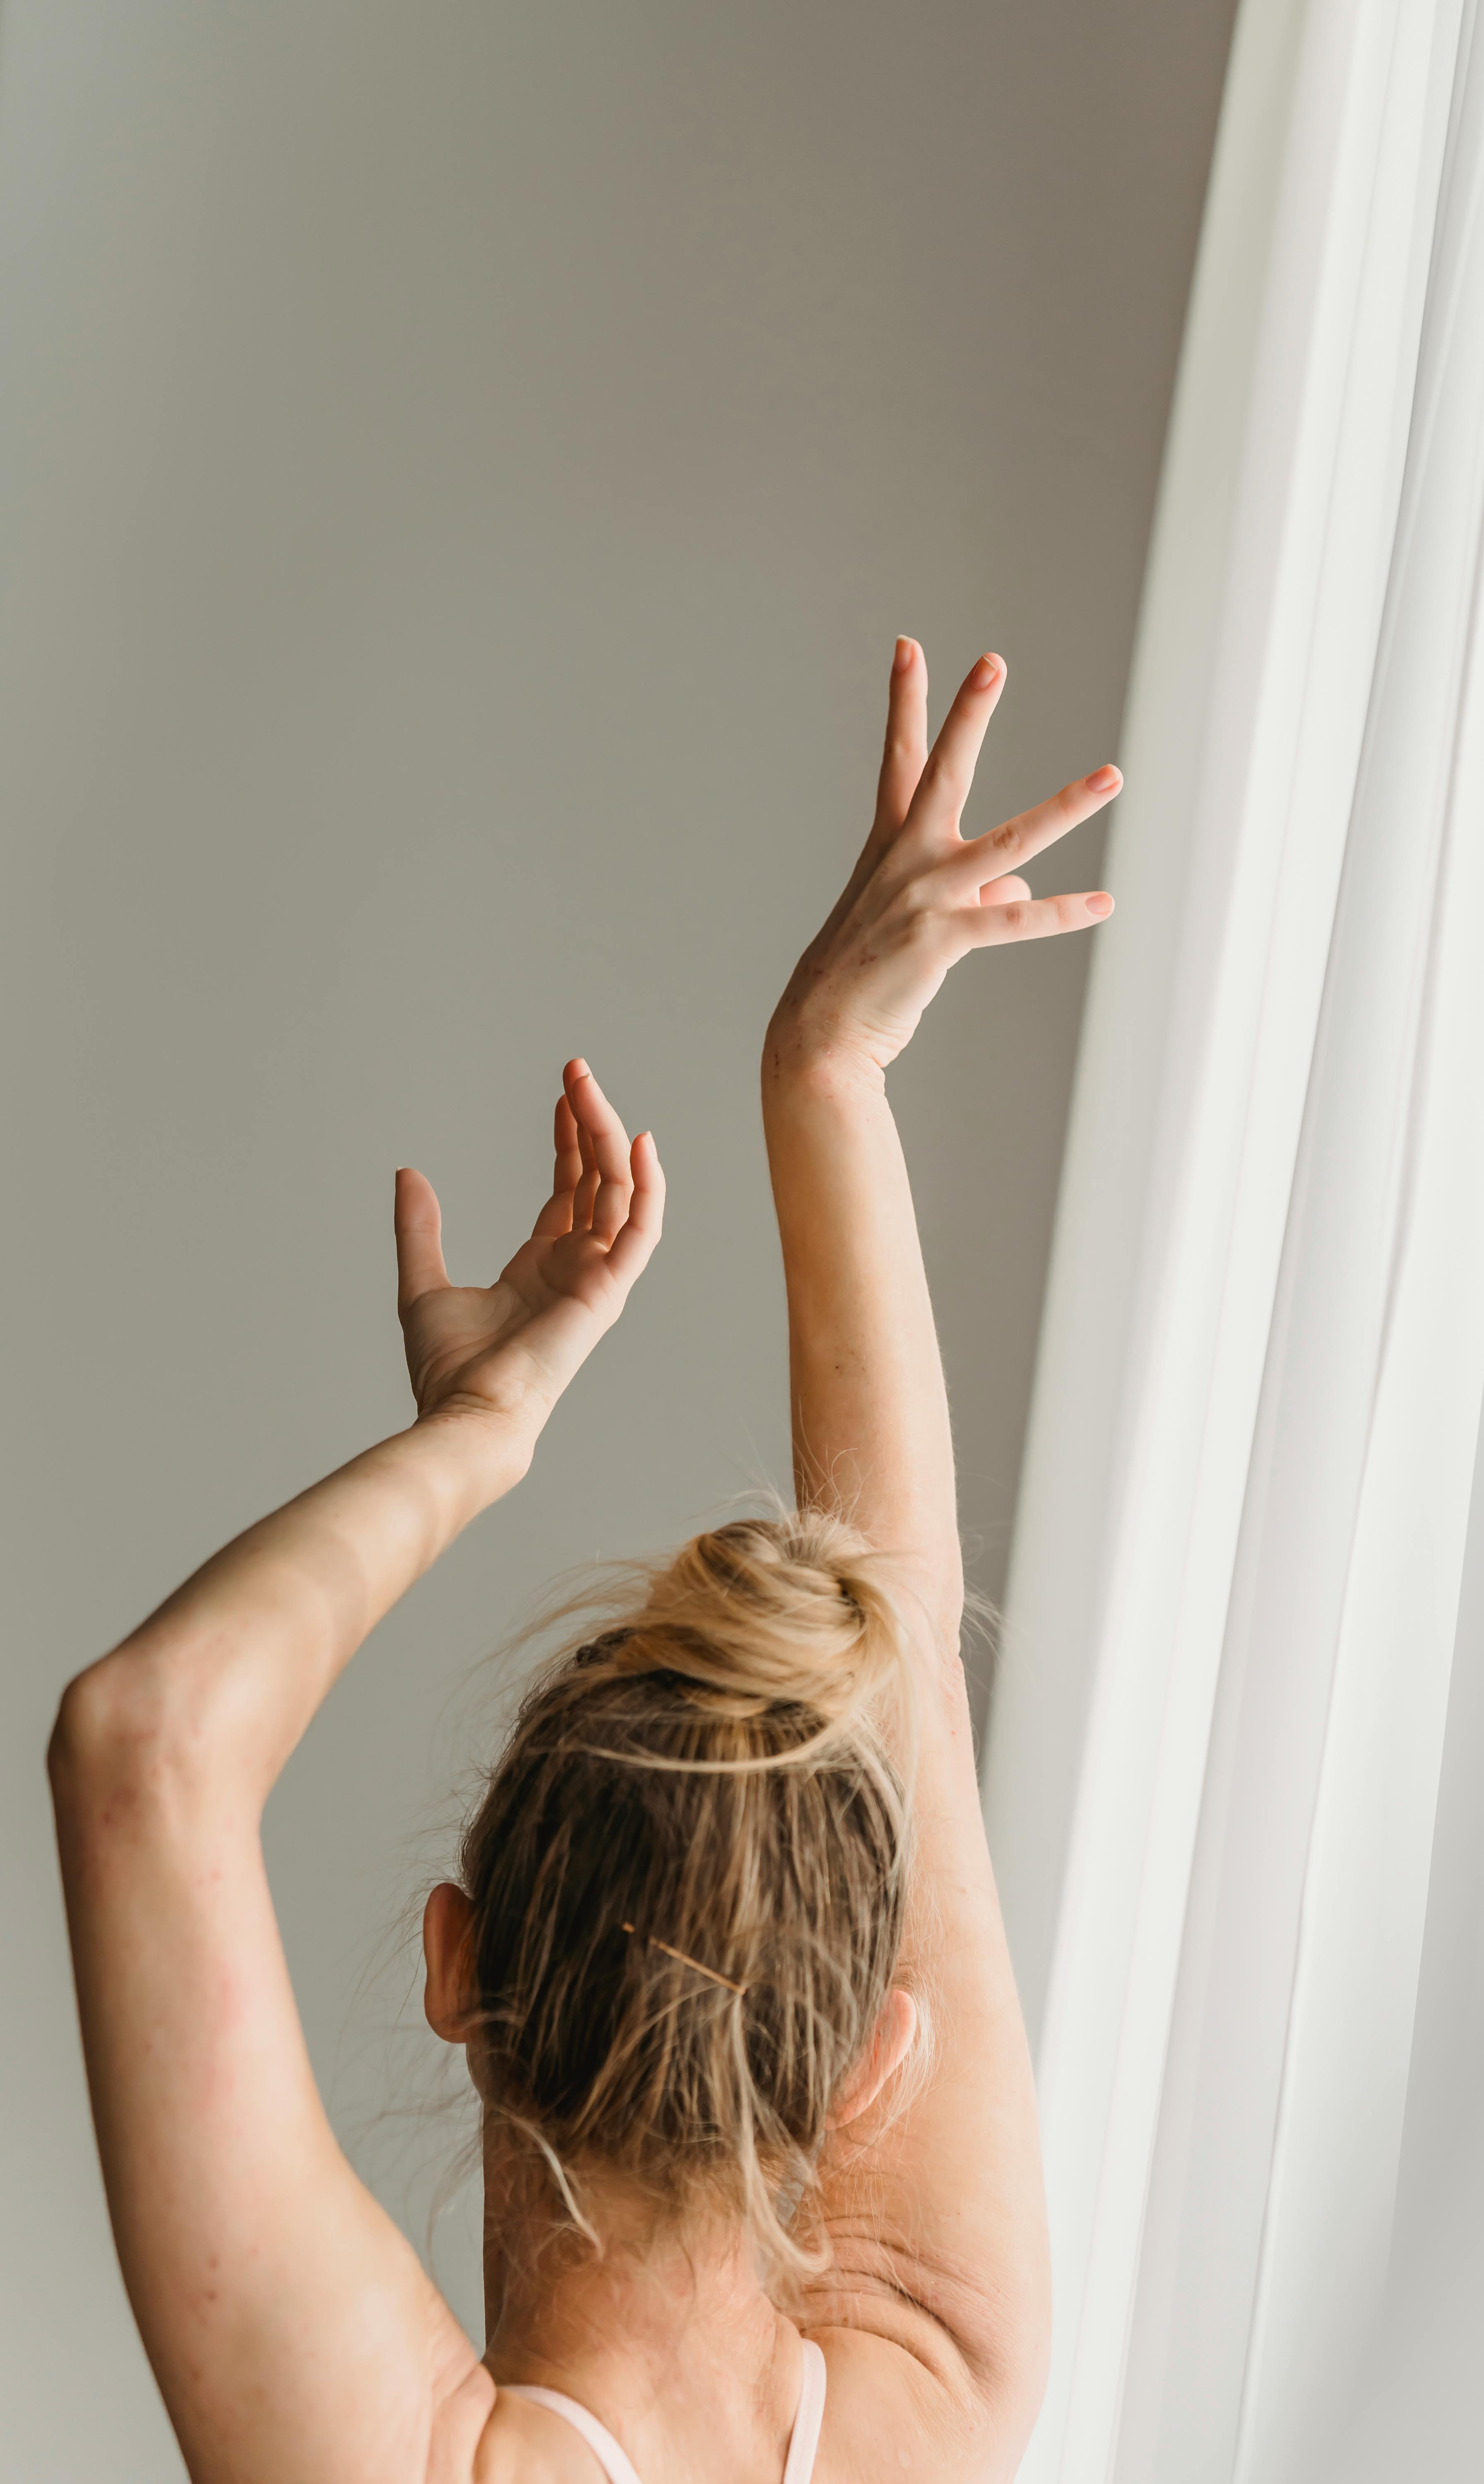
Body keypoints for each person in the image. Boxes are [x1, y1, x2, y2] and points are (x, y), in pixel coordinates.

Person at [50, 639, 1121, 2484]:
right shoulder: (941, 2394)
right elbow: (908, 1648)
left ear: (450, 1962)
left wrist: (476, 1433)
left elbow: (142, 1733)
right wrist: (827, 1077)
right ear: (872, 2062)